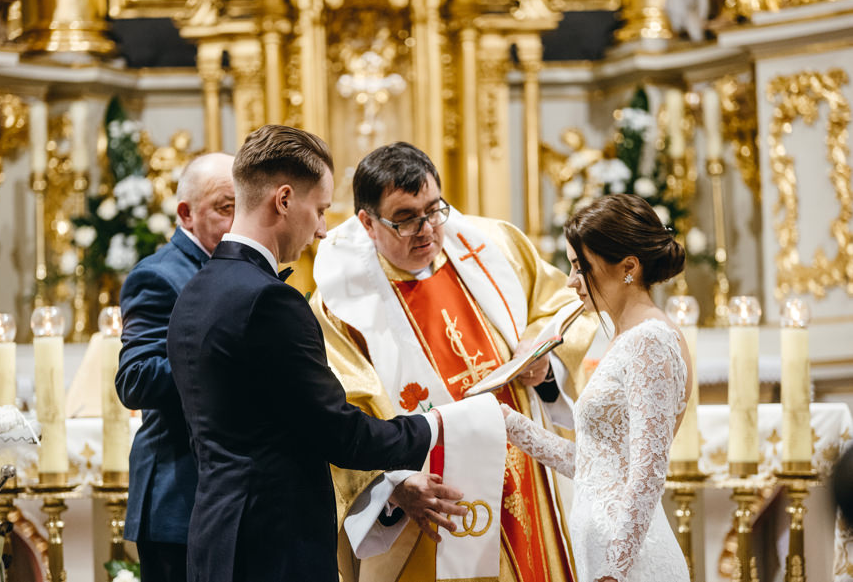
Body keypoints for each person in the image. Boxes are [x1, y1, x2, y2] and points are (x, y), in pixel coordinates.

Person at [167, 125, 447, 582]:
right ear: (283, 200)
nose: (320, 230)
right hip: (276, 545)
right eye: (318, 210)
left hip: (214, 535)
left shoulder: (195, 290)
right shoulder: (271, 300)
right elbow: (338, 433)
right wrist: (433, 427)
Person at [311, 141, 597, 582]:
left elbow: (562, 305)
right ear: (367, 223)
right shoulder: (339, 306)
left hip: (527, 475)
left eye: (434, 210)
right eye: (405, 219)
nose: (426, 229)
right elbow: (342, 411)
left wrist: (542, 359)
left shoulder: (494, 246)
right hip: (433, 505)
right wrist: (396, 485)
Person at [502, 193, 692, 582]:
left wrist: (615, 571)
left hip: (631, 564)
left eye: (579, 266)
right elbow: (596, 468)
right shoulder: (627, 338)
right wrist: (510, 424)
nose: (571, 281)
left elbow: (648, 471)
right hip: (603, 553)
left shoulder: (649, 341)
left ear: (628, 268)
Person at [115, 152, 235, 582]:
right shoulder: (159, 275)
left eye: (244, 207)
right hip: (177, 495)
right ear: (186, 212)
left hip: (225, 494)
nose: (237, 221)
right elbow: (136, 378)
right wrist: (230, 360)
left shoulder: (235, 269)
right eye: (226, 207)